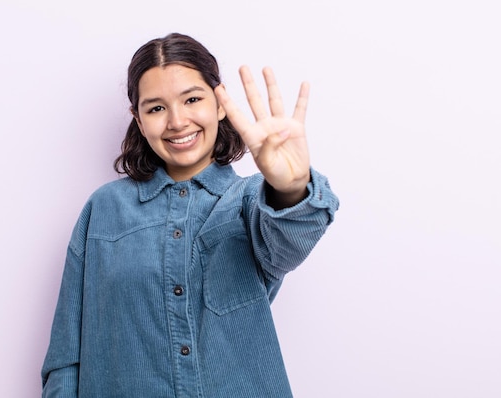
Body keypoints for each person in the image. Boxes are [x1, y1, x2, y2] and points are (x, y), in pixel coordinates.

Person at [41, 32, 339, 397]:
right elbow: (66, 358)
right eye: (156, 108)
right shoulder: (103, 210)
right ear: (138, 118)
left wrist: (291, 187)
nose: (177, 121)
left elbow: (290, 238)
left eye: (192, 99)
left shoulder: (250, 201)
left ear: (219, 103)